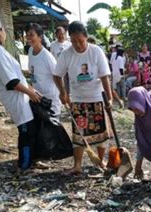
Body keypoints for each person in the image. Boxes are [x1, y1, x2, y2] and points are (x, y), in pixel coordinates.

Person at [0, 16, 42, 172]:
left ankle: (28, 161)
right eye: (3, 29)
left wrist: (30, 89)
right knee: (26, 131)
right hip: (15, 98)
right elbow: (11, 82)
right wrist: (30, 92)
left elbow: (15, 76)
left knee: (29, 129)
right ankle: (24, 164)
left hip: (19, 96)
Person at [52, 21, 113, 175]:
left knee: (100, 134)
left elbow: (105, 76)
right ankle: (77, 165)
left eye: (80, 40)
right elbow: (57, 75)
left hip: (96, 98)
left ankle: (100, 162)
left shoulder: (96, 51)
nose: (77, 45)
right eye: (73, 41)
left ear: (86, 37)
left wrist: (109, 98)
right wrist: (62, 92)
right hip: (77, 100)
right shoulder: (67, 54)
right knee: (79, 135)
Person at [26, 23, 62, 118]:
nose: (28, 37)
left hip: (50, 102)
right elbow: (32, 72)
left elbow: (57, 76)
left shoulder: (47, 56)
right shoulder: (30, 51)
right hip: (38, 99)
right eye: (27, 34)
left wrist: (63, 93)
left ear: (40, 37)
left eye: (31, 34)